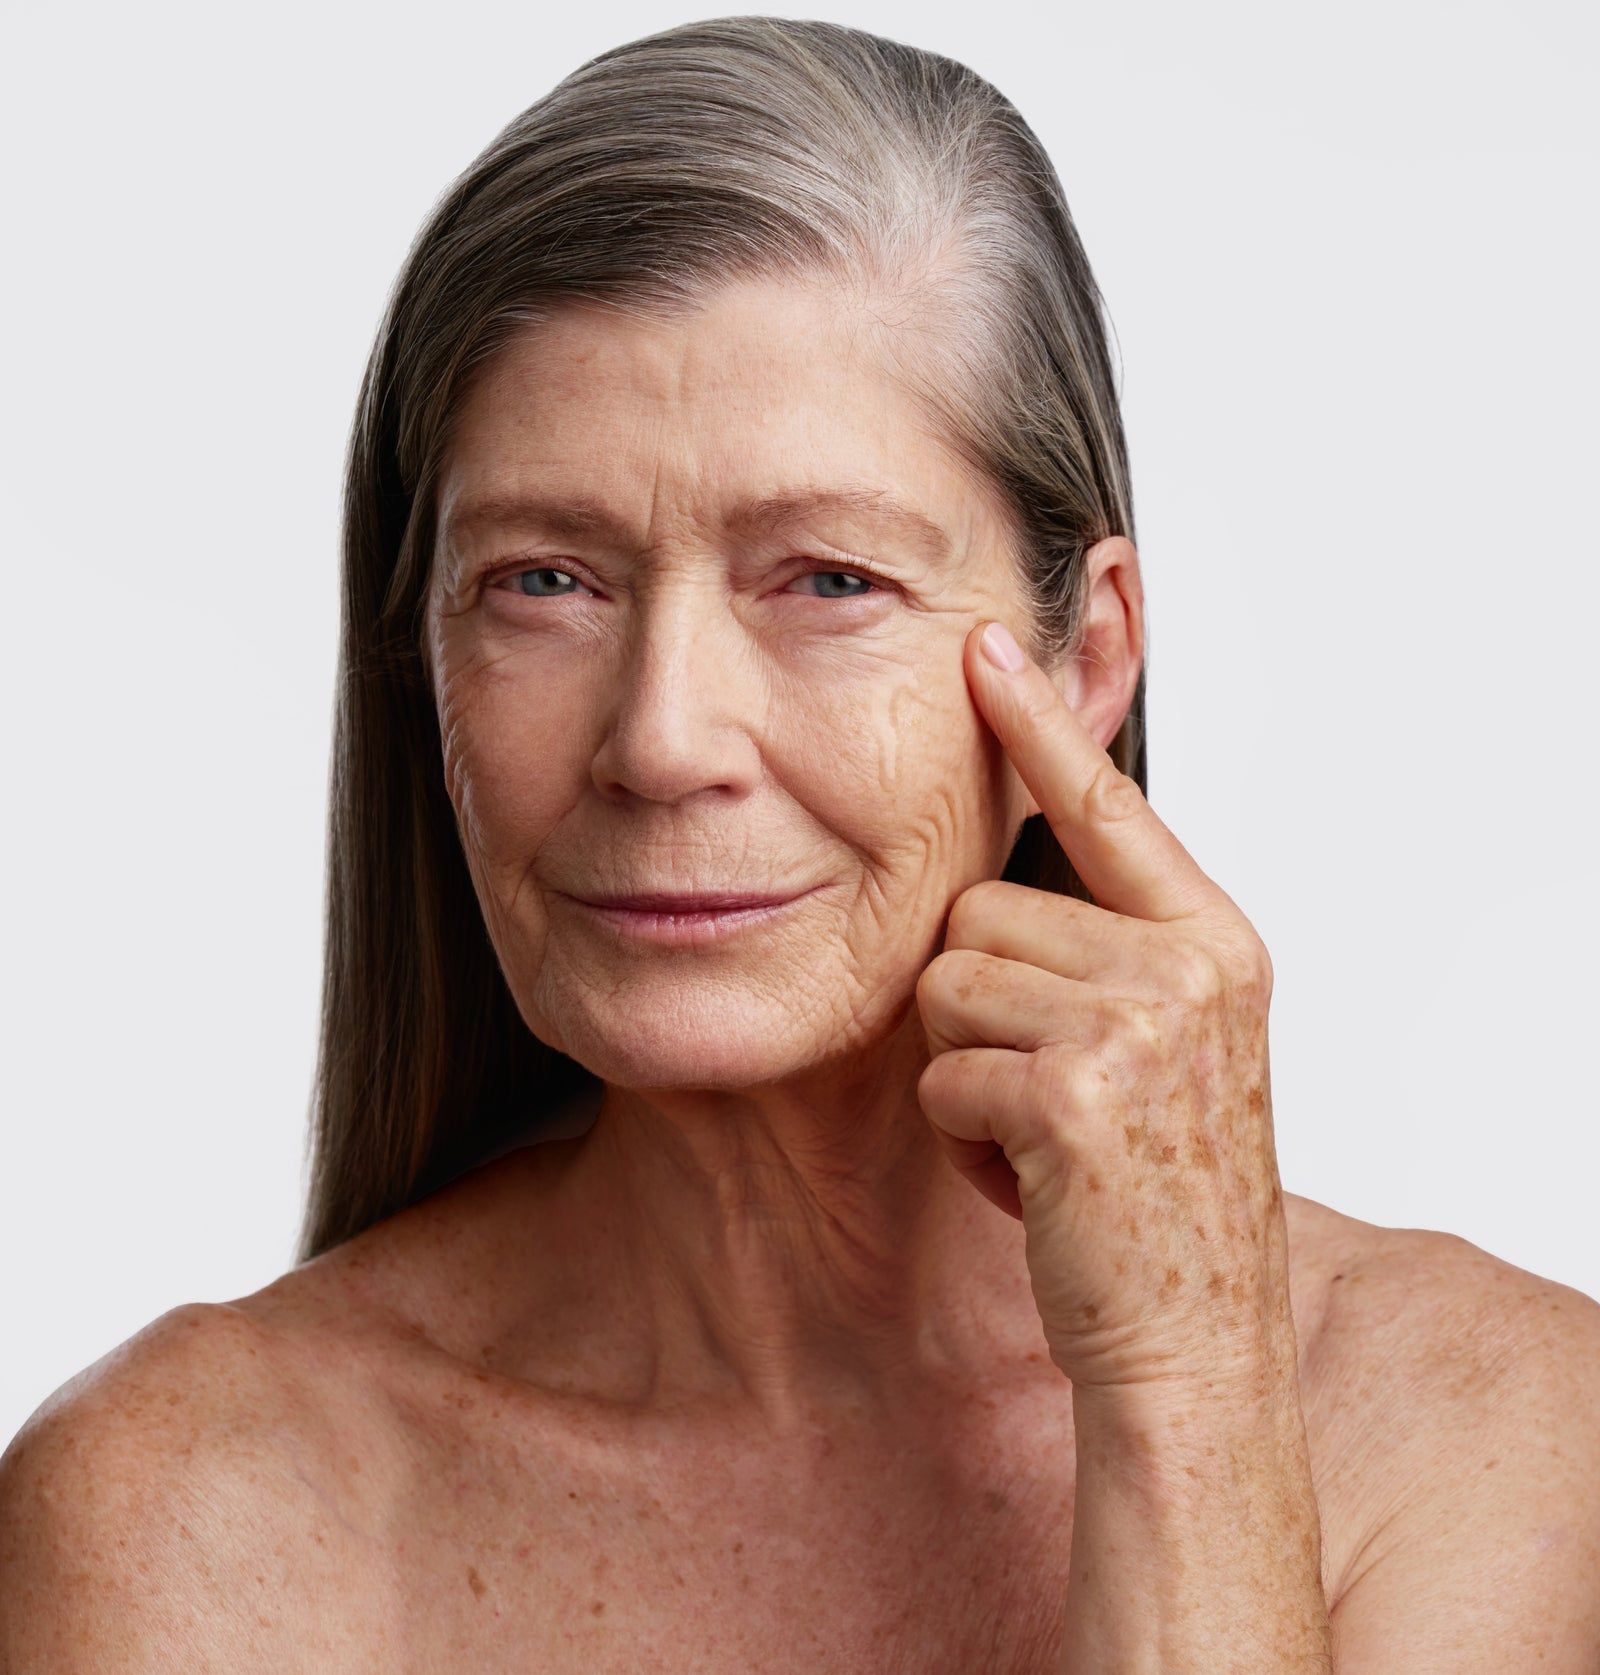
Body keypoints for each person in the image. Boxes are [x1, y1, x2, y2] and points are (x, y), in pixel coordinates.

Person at [3, 17, 1597, 1672]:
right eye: (545, 581)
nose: (661, 738)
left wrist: (1187, 1397)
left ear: (1088, 662)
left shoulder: (1482, 1438)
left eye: (832, 580)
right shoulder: (189, 1515)